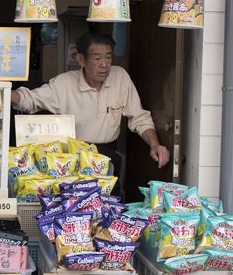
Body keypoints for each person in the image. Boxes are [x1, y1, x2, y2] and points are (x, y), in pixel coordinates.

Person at [10, 31, 170, 170]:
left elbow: (140, 118)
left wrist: (155, 145)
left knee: (109, 202)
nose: (104, 65)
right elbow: (29, 100)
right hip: (73, 157)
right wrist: (0, 91)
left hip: (106, 155)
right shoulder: (64, 84)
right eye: (97, 59)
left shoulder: (120, 77)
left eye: (108, 57)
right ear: (81, 59)